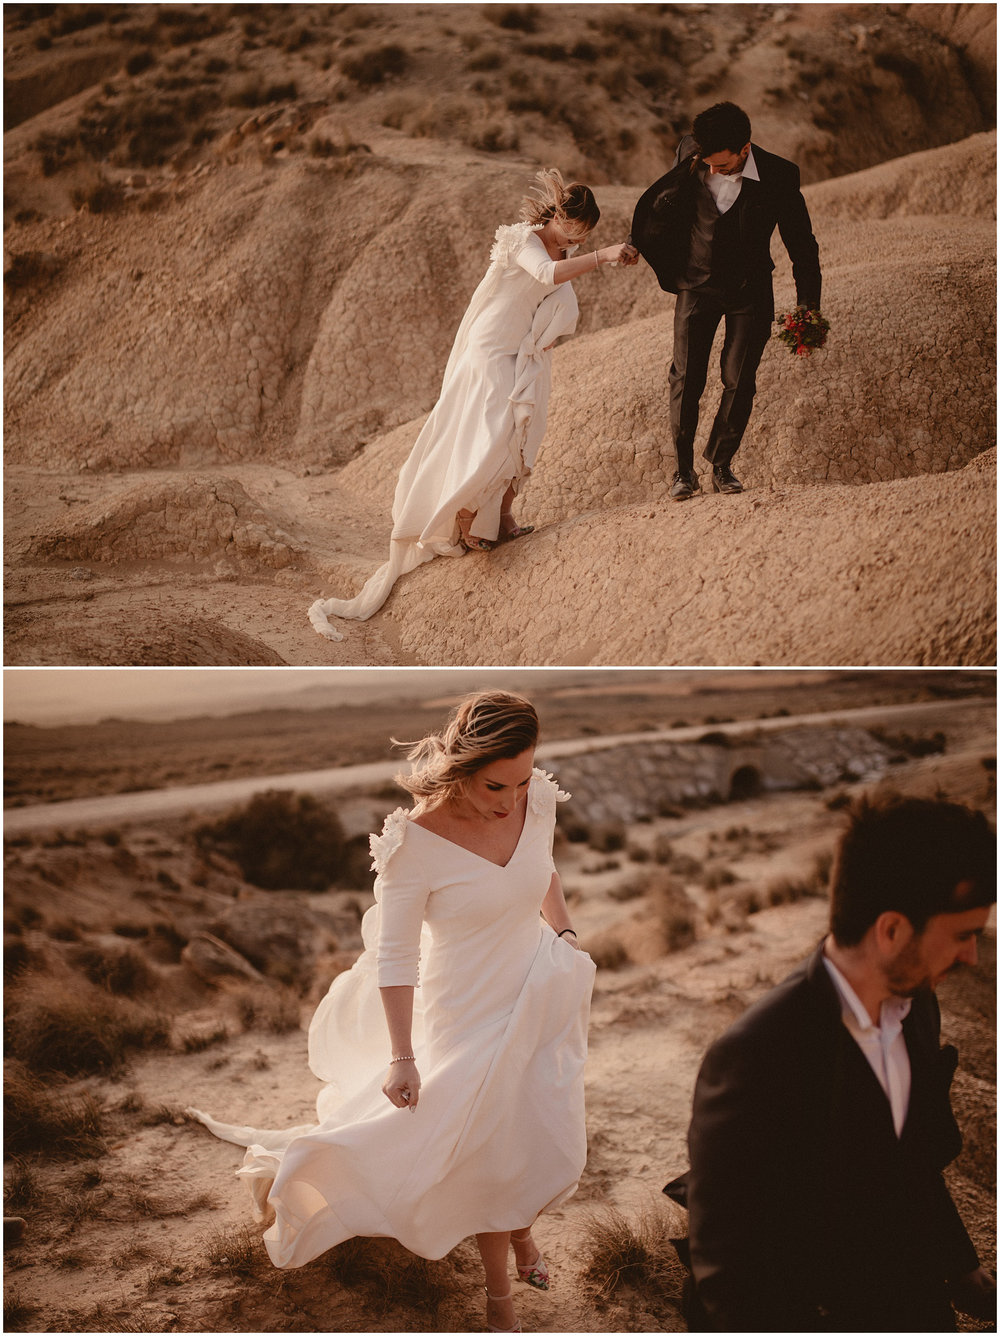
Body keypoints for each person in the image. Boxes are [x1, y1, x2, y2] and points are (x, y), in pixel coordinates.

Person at [189, 691, 595, 1335]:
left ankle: (523, 1241)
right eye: (496, 784)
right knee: (489, 1144)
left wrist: (566, 935)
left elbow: (541, 866)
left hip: (536, 989)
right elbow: (397, 958)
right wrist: (402, 1056)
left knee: (530, 1126)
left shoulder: (535, 797)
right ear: (460, 767)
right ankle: (501, 1301)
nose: (512, 798)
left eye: (522, 780)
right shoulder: (415, 844)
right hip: (461, 1010)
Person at [673, 794, 996, 1332]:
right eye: (963, 935)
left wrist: (963, 1272)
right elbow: (730, 1273)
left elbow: (910, 1163)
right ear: (891, 930)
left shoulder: (918, 1006)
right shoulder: (755, 1054)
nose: (972, 957)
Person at [308, 171, 632, 641]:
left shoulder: (565, 250)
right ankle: (462, 512)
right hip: (489, 346)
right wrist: (602, 257)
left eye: (584, 238)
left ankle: (498, 519)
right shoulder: (522, 240)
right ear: (557, 215)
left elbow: (556, 291)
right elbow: (544, 276)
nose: (573, 241)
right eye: (570, 232)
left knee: (521, 428)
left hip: (518, 347)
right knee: (494, 425)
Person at [623, 101, 822, 499]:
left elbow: (802, 243)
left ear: (745, 148)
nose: (713, 171)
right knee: (685, 377)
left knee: (739, 379)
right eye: (707, 163)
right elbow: (666, 199)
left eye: (723, 165)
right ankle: (683, 473)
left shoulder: (781, 175)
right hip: (696, 288)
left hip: (750, 293)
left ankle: (721, 464)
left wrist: (808, 307)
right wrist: (637, 241)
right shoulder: (692, 154)